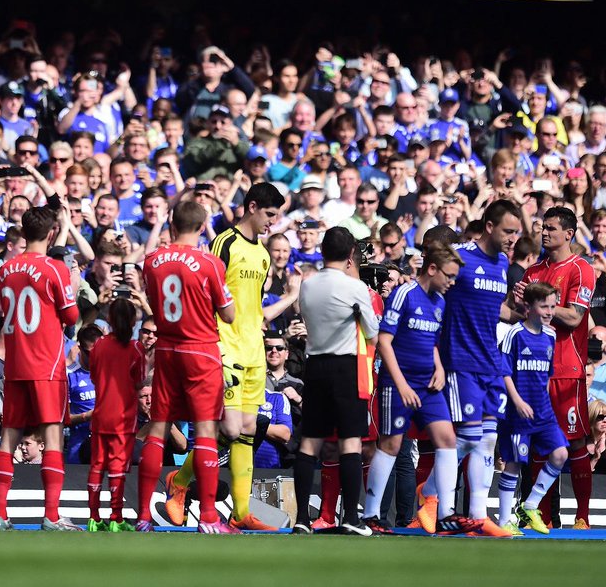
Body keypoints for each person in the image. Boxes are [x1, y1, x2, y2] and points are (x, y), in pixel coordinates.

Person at [163, 183, 285, 532]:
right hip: (225, 346)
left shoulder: (262, 253)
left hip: (253, 349)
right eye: (269, 214)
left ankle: (241, 511)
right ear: (251, 207)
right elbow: (209, 292)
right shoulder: (225, 243)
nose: (272, 223)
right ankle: (181, 480)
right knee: (230, 428)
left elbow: (253, 303)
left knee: (248, 429)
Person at [415, 200, 523, 537]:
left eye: (517, 232)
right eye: (508, 231)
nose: (512, 238)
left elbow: (495, 309)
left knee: (488, 440)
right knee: (468, 436)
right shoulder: (459, 257)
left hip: (490, 361)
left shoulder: (503, 263)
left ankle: (477, 515)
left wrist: (521, 313)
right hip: (460, 360)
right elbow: (429, 290)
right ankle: (432, 495)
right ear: (489, 227)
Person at [139, 200, 237, 533]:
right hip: (201, 351)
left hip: (166, 349)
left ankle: (142, 517)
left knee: (158, 429)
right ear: (202, 224)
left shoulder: (152, 261)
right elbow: (228, 314)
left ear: (172, 222)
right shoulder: (208, 262)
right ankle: (208, 517)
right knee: (206, 432)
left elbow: (154, 303)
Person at [362, 245, 475, 535]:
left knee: (448, 439)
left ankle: (445, 512)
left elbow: (433, 342)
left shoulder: (440, 301)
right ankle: (371, 515)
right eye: (449, 276)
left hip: (428, 384)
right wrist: (400, 384)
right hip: (398, 383)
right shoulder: (405, 294)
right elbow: (385, 341)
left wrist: (438, 367)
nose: (452, 282)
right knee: (390, 445)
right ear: (433, 269)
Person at [0, 204, 82, 531]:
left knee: (8, 439)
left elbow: (4, 310)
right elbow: (71, 318)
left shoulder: (5, 269)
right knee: (53, 437)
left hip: (15, 364)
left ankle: (0, 514)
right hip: (46, 365)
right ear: (52, 233)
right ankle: (51, 515)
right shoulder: (56, 269)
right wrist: (71, 285)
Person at [290, 227, 379, 535]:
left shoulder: (307, 285)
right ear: (351, 254)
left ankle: (301, 518)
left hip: (315, 367)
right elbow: (372, 330)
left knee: (310, 443)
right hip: (346, 367)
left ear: (323, 250)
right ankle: (352, 519)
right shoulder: (356, 288)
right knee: (350, 443)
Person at [517, 207, 597, 528]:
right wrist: (517, 302)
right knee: (538, 442)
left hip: (566, 369)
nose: (544, 233)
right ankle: (543, 517)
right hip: (534, 370)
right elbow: (516, 313)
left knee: (575, 441)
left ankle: (582, 517)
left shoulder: (581, 269)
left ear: (569, 233)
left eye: (551, 228)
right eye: (542, 228)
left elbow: (575, 317)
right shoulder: (533, 271)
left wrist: (535, 304)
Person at [496, 282, 571, 535]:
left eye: (553, 306)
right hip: (518, 413)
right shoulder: (514, 334)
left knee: (560, 454)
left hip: (543, 412)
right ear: (529, 307)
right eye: (544, 306)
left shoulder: (551, 335)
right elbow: (504, 372)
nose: (550, 311)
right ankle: (503, 520)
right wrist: (517, 401)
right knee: (514, 463)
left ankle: (530, 505)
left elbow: (547, 374)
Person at [86, 297, 145, 532]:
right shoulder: (135, 348)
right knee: (118, 466)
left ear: (109, 319)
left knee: (97, 465)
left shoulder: (98, 345)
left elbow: (93, 375)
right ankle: (116, 518)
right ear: (132, 320)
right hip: (123, 415)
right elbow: (140, 381)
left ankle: (93, 518)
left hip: (101, 413)